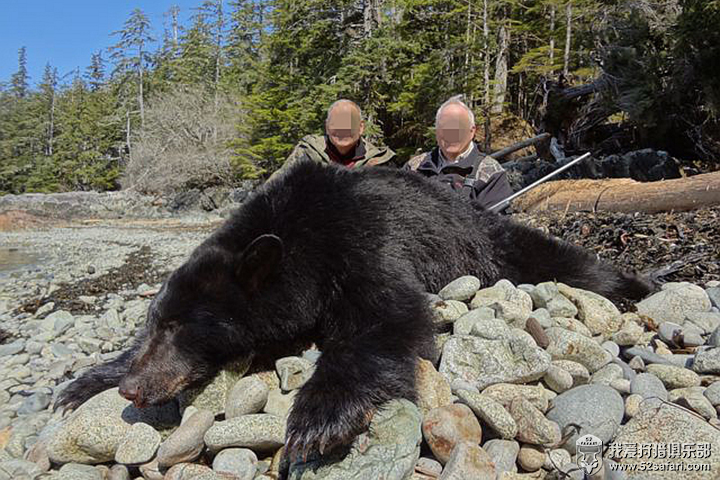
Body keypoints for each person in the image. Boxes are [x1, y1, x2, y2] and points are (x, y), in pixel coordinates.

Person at [405, 95, 513, 210]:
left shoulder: (492, 174)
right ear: (436, 131)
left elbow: (495, 224)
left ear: (472, 131)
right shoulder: (414, 168)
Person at [281, 99, 395, 172]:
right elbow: (273, 191)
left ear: (361, 127)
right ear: (327, 127)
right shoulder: (307, 154)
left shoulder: (379, 163)